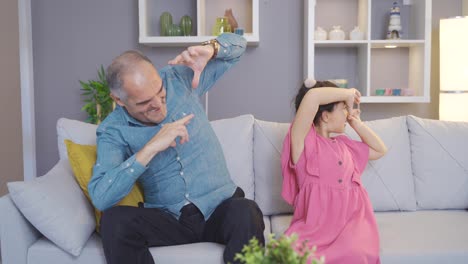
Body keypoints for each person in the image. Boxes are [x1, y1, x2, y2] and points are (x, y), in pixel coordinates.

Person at [88, 33, 265, 264]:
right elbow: (101, 197)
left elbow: (239, 46)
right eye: (144, 103)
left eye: (160, 93)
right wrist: (150, 148)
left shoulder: (178, 78)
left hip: (219, 208)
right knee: (114, 221)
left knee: (246, 211)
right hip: (169, 219)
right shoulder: (113, 130)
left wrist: (211, 48)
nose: (159, 105)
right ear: (119, 100)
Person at [281, 79, 388, 263]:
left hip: (350, 227)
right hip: (314, 229)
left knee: (356, 254)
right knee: (295, 254)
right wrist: (348, 93)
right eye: (343, 109)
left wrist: (357, 123)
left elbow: (380, 150)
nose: (347, 114)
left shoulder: (345, 145)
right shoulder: (304, 142)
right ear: (325, 116)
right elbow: (312, 97)